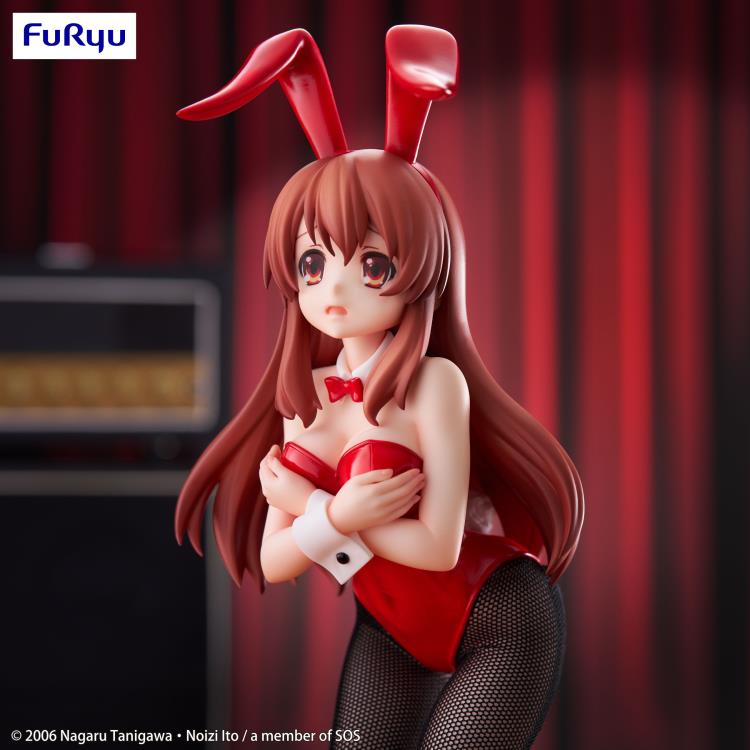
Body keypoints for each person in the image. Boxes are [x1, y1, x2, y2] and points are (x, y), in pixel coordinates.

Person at [175, 26, 583, 750]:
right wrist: (336, 515)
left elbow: (437, 545)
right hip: (390, 622)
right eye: (311, 264)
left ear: (423, 267)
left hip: (499, 618)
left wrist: (322, 511)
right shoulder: (308, 397)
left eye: (370, 265)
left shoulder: (435, 385)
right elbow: (274, 560)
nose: (332, 290)